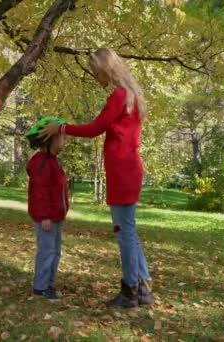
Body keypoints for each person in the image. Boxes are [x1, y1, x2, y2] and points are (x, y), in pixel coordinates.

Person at [39, 48, 154, 308]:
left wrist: (62, 128)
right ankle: (144, 289)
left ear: (106, 69)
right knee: (130, 231)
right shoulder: (131, 96)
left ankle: (130, 292)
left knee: (124, 232)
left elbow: (94, 129)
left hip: (122, 172)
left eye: (96, 71)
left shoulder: (119, 97)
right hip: (128, 169)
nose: (95, 76)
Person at [26, 117, 69, 301]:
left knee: (55, 252)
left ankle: (48, 284)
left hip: (55, 217)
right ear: (50, 139)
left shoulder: (52, 161)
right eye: (62, 137)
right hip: (47, 219)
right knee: (46, 252)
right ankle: (40, 288)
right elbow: (40, 192)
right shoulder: (42, 163)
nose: (64, 141)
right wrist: (44, 216)